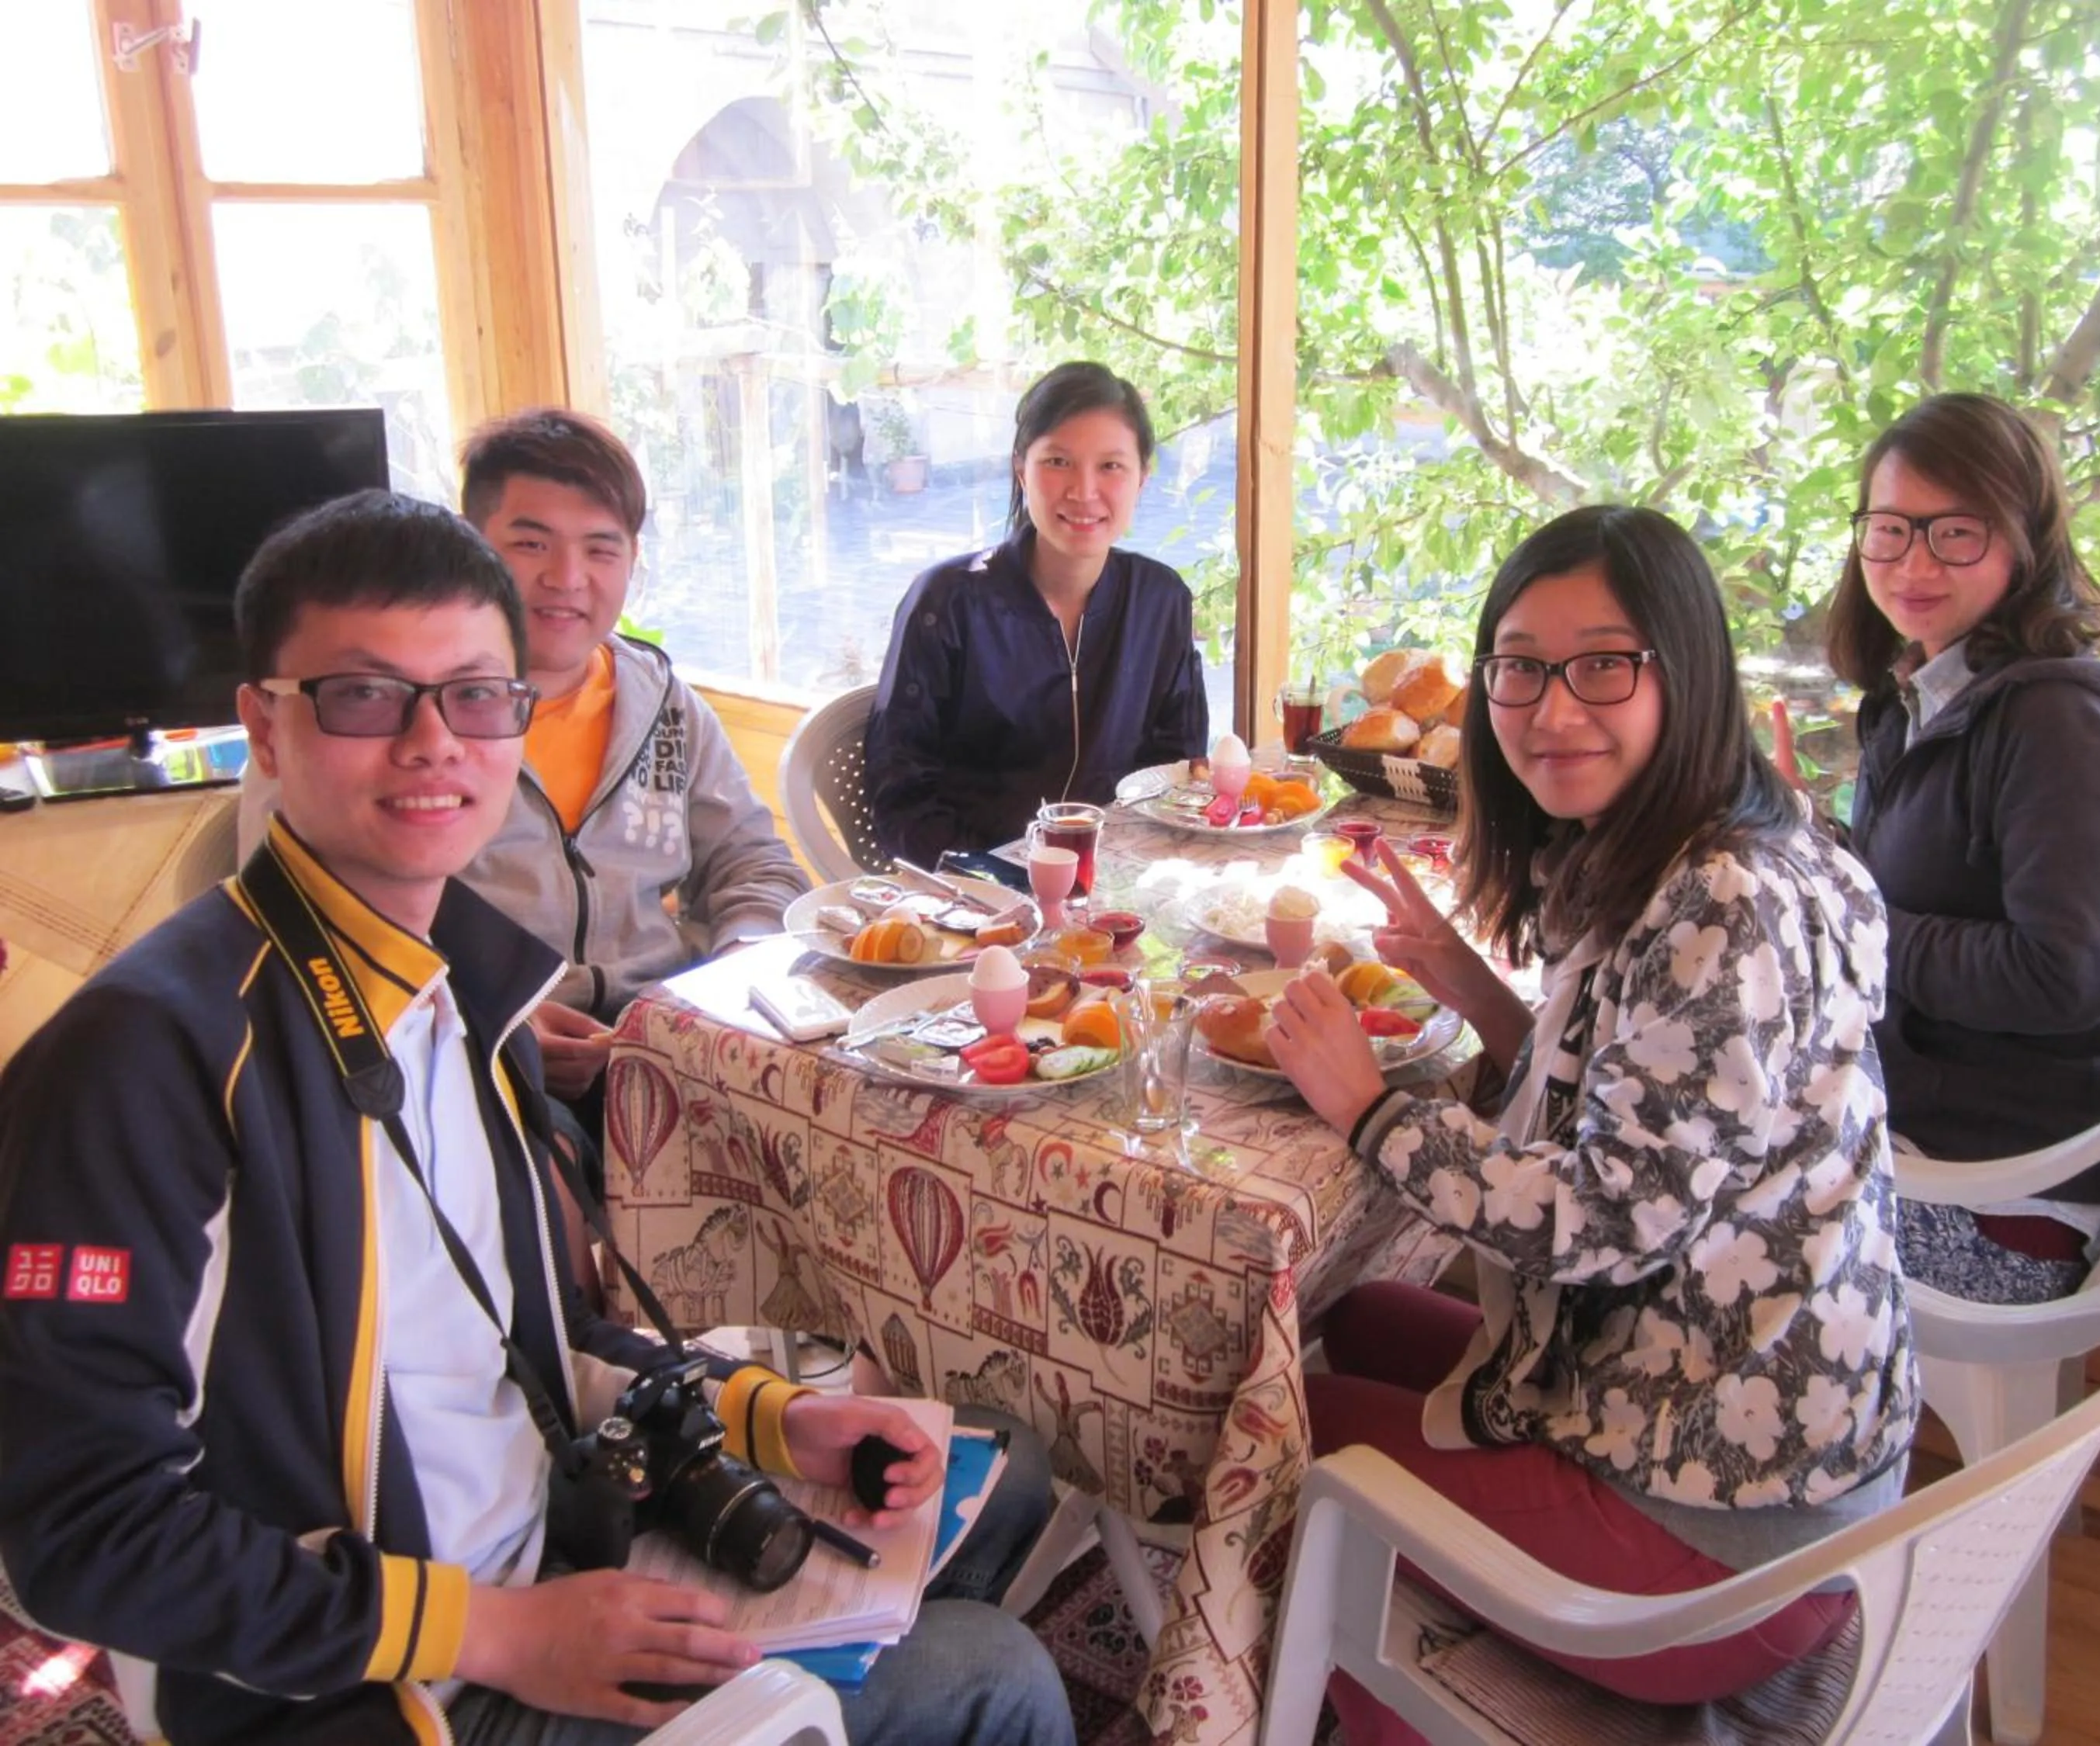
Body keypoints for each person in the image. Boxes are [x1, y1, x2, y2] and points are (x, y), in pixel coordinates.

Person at [0, 491, 1070, 1746]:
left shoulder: (463, 983)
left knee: (1008, 1474)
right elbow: (74, 1532)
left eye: (474, 696)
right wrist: (500, 1634)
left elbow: (537, 1338)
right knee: (996, 1678)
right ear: (265, 727)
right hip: (390, 1685)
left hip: (551, 1532)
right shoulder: (142, 1060)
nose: (432, 744)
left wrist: (775, 1420)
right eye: (364, 695)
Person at [1265, 506, 1918, 1736]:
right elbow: (1648, 1112)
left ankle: (1390, 1703)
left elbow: (1604, 1222)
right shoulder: (1725, 835)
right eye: (1520, 666)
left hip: (1727, 1533)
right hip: (1748, 1423)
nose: (1554, 710)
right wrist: (1465, 982)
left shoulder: (1724, 901)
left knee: (1276, 1432)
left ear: (1688, 669)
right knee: (1347, 1315)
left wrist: (1369, 1107)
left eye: (1604, 665)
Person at [242, 409, 810, 1103]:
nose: (567, 578)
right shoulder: (364, 725)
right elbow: (309, 915)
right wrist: (488, 1015)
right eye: (532, 543)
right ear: (473, 545)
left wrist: (735, 970)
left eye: (601, 549)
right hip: (453, 1057)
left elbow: (751, 859)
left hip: (665, 1042)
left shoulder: (664, 704)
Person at [1810, 392, 2100, 1304]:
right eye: (1890, 529)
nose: (1913, 563)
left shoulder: (2060, 719)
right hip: (1915, 1134)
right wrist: (1812, 842)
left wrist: (1855, 921)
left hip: (2003, 1203)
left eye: (1956, 532)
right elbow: (1919, 887)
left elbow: (2064, 977)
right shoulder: (1920, 692)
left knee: (1672, 1231)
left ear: (2023, 539)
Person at [865, 361, 1209, 866]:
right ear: (1020, 470)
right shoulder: (948, 604)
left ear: (1142, 478)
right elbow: (901, 793)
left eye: (1111, 466)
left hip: (1115, 880)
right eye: (1058, 461)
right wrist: (993, 879)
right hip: (979, 887)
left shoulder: (1160, 600)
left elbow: (1177, 770)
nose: (1084, 491)